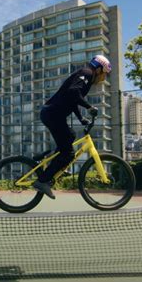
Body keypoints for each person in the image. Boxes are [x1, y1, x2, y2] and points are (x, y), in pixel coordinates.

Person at [33, 55, 112, 199]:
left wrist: (81, 118)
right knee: (68, 153)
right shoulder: (87, 73)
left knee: (70, 137)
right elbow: (73, 93)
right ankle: (42, 181)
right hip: (52, 114)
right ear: (99, 69)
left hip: (53, 114)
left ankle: (52, 161)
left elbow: (73, 99)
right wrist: (89, 107)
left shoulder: (86, 75)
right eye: (105, 74)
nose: (104, 78)